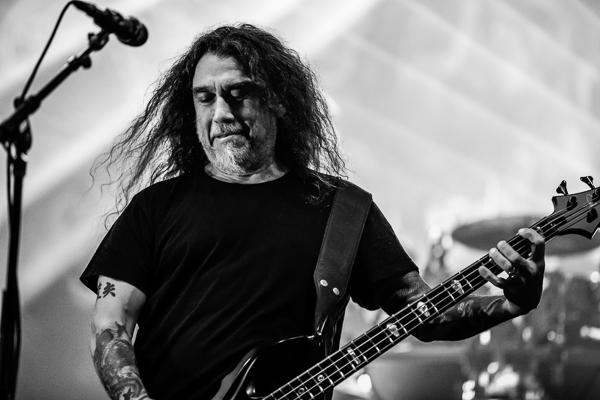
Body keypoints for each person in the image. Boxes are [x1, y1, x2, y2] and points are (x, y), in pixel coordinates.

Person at [80, 23, 545, 400]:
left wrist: (510, 304)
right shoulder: (156, 207)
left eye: (238, 93)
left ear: (278, 100)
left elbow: (426, 315)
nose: (220, 113)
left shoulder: (343, 210)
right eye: (205, 98)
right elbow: (111, 324)